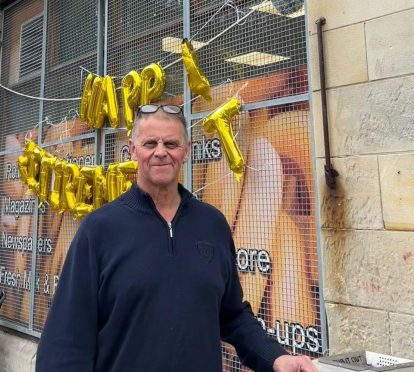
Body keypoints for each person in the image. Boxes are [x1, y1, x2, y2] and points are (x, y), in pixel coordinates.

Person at [36, 104, 317, 372]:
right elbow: (66, 339)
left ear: (185, 151)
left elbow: (231, 315)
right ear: (133, 151)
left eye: (171, 144)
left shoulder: (212, 225)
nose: (161, 152)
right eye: (150, 144)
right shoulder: (99, 230)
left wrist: (276, 358)